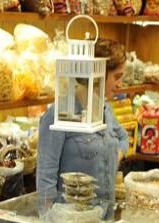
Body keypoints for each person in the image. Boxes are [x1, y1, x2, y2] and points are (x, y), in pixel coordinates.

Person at [37, 38, 129, 214]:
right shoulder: (58, 116)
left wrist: (114, 156)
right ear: (98, 77)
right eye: (117, 77)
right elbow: (45, 179)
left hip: (103, 217)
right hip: (71, 222)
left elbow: (123, 137)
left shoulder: (104, 110)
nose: (120, 84)